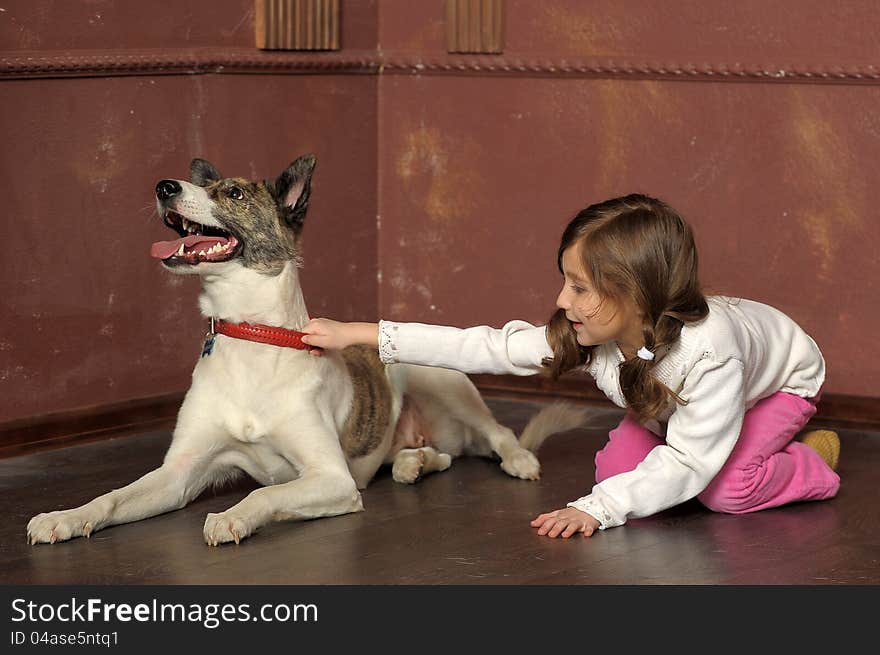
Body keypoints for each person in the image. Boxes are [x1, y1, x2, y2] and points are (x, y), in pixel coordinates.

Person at [301, 193, 840, 538]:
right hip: (686, 405)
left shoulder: (710, 353)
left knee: (723, 489)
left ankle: (812, 463)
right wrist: (360, 334)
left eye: (579, 287)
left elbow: (691, 461)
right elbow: (484, 347)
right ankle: (748, 457)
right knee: (617, 476)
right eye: (565, 281)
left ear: (633, 295)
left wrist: (597, 510)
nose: (562, 300)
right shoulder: (598, 333)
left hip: (775, 389)